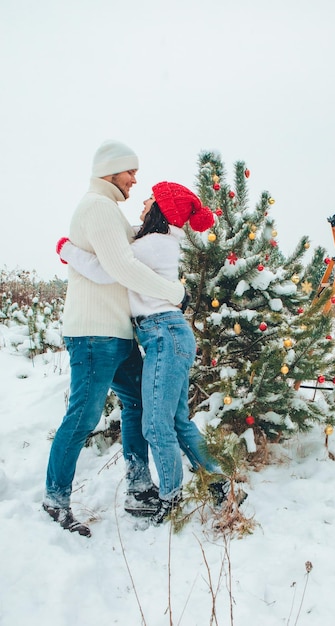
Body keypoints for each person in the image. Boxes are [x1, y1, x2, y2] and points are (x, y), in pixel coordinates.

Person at [58, 182, 242, 526]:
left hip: (164, 334)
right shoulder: (159, 242)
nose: (143, 202)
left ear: (161, 208)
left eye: (151, 199)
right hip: (166, 335)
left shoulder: (155, 244)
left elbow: (106, 267)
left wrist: (68, 250)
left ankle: (171, 498)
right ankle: (222, 485)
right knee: (175, 421)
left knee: (157, 425)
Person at [43, 142, 185, 537]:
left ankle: (139, 488)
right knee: (84, 416)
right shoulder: (97, 208)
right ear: (111, 171)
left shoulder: (111, 212)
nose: (135, 180)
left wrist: (69, 251)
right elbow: (119, 267)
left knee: (137, 402)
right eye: (130, 172)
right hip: (93, 333)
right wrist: (174, 293)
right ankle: (55, 500)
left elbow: (129, 258)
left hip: (117, 332)